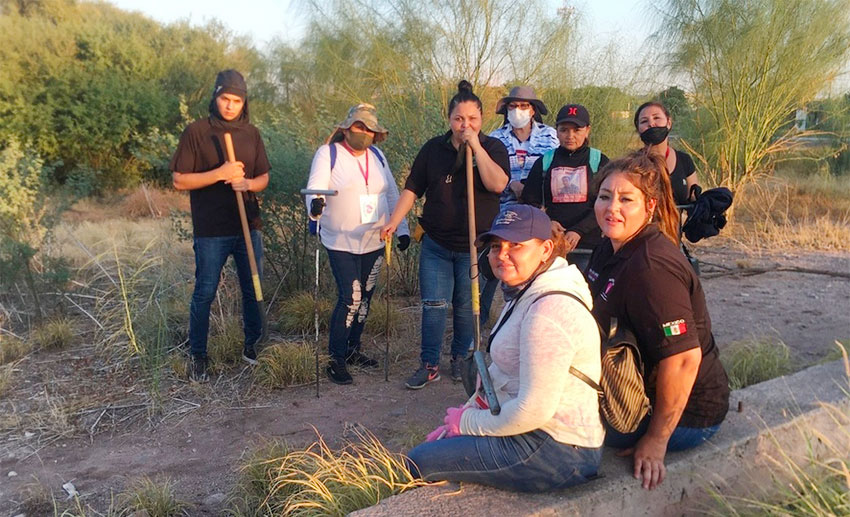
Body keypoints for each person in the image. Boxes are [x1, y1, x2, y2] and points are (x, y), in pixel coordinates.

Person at [406, 204, 604, 492]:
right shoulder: (527, 287)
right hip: (541, 434)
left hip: (556, 448)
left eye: (516, 245)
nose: (502, 255)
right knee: (437, 448)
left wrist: (468, 422)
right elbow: (508, 376)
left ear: (546, 249)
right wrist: (469, 412)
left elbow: (533, 411)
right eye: (497, 246)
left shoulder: (548, 310)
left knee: (419, 462)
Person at [585, 150, 730, 490]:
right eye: (605, 197)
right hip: (631, 382)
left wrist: (657, 439)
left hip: (689, 415)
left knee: (562, 422)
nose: (612, 208)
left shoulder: (652, 268)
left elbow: (682, 358)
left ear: (649, 206)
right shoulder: (610, 246)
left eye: (626, 199)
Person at [381, 80, 509, 389]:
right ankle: (429, 364)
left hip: (474, 246)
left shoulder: (492, 148)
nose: (465, 125)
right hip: (437, 244)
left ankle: (460, 361)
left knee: (466, 308)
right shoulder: (433, 150)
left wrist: (475, 147)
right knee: (434, 305)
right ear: (449, 119)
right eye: (459, 119)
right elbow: (413, 189)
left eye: (472, 119)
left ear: (481, 120)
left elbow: (498, 185)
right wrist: (393, 220)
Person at [171, 69, 271, 382]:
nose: (230, 105)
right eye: (225, 98)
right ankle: (198, 355)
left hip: (247, 226)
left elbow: (264, 177)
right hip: (211, 229)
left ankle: (253, 347)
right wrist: (219, 173)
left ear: (244, 102)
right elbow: (179, 179)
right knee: (204, 292)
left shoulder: (251, 133)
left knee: (252, 286)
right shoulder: (197, 131)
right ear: (216, 97)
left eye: (236, 100)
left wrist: (248, 184)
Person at [304, 104, 410, 385]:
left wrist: (402, 229)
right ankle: (335, 358)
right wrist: (314, 206)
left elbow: (391, 194)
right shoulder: (329, 153)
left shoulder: (378, 156)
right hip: (340, 240)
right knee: (350, 298)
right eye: (358, 126)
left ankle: (353, 349)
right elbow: (315, 189)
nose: (363, 132)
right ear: (347, 128)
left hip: (374, 239)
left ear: (376, 134)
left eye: (369, 129)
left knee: (365, 299)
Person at [480, 86, 559, 324]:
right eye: (513, 106)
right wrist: (511, 184)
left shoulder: (551, 136)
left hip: (537, 214)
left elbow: (556, 170)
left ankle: (532, 315)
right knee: (492, 267)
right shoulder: (495, 138)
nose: (518, 111)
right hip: (502, 213)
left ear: (533, 110)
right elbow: (487, 174)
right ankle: (481, 320)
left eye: (524, 106)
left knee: (532, 267)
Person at [521, 104, 609, 272]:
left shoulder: (599, 161)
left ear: (587, 130)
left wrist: (578, 231)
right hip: (552, 245)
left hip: (589, 246)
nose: (570, 136)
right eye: (564, 130)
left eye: (577, 130)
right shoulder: (545, 161)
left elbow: (607, 202)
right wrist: (547, 222)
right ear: (557, 131)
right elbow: (529, 199)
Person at [634, 101, 699, 205]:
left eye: (656, 118)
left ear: (668, 123)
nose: (651, 124)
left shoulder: (684, 160)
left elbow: (693, 200)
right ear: (638, 129)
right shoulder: (631, 164)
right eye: (644, 121)